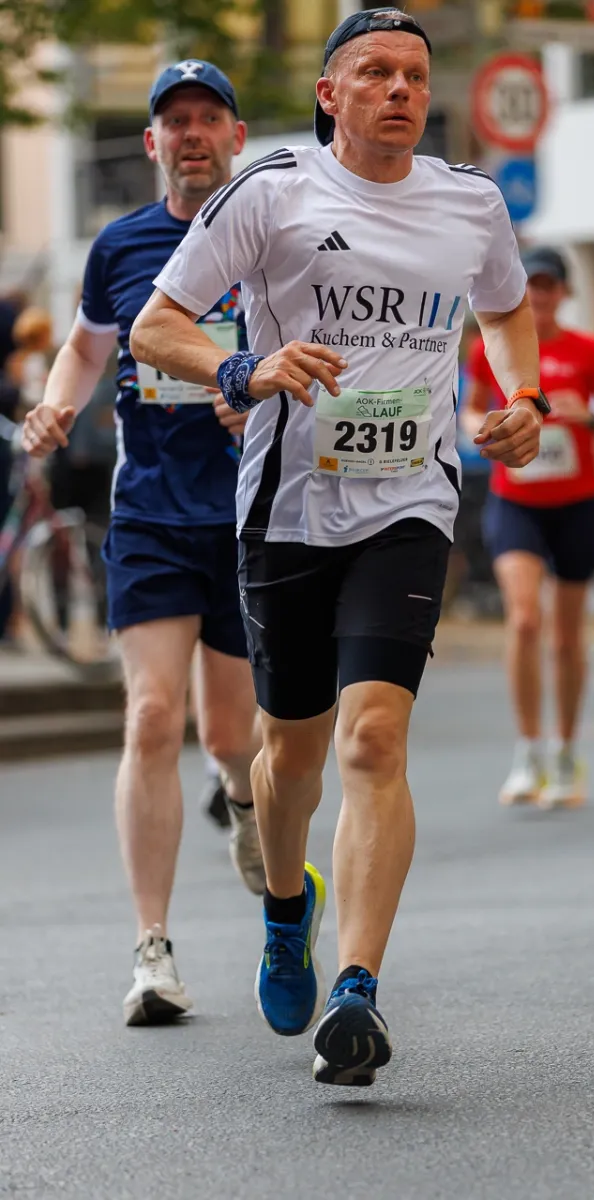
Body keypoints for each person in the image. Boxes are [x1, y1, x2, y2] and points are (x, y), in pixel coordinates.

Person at [129, 6, 545, 1086]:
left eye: (413, 75)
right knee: (291, 755)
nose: (400, 90)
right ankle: (286, 907)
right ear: (330, 94)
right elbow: (156, 327)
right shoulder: (272, 194)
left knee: (373, 741)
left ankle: (356, 987)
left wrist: (524, 397)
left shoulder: (470, 201)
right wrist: (244, 368)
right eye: (374, 73)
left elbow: (504, 310)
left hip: (409, 503)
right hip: (287, 509)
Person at [21, 61, 264, 1026]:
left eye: (209, 118)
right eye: (175, 121)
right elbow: (87, 346)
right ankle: (152, 951)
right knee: (153, 718)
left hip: (250, 516)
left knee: (234, 737)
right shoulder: (120, 246)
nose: (192, 133)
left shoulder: (271, 239)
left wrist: (261, 399)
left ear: (236, 137)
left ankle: (243, 802)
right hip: (153, 513)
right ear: (154, 141)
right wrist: (55, 404)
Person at [464, 246, 594, 809]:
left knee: (565, 636)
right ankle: (528, 750)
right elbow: (470, 409)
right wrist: (483, 425)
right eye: (530, 285)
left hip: (576, 505)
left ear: (564, 292)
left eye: (548, 285)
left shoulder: (591, 351)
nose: (538, 295)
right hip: (516, 502)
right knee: (523, 619)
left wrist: (589, 417)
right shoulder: (489, 346)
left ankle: (564, 750)